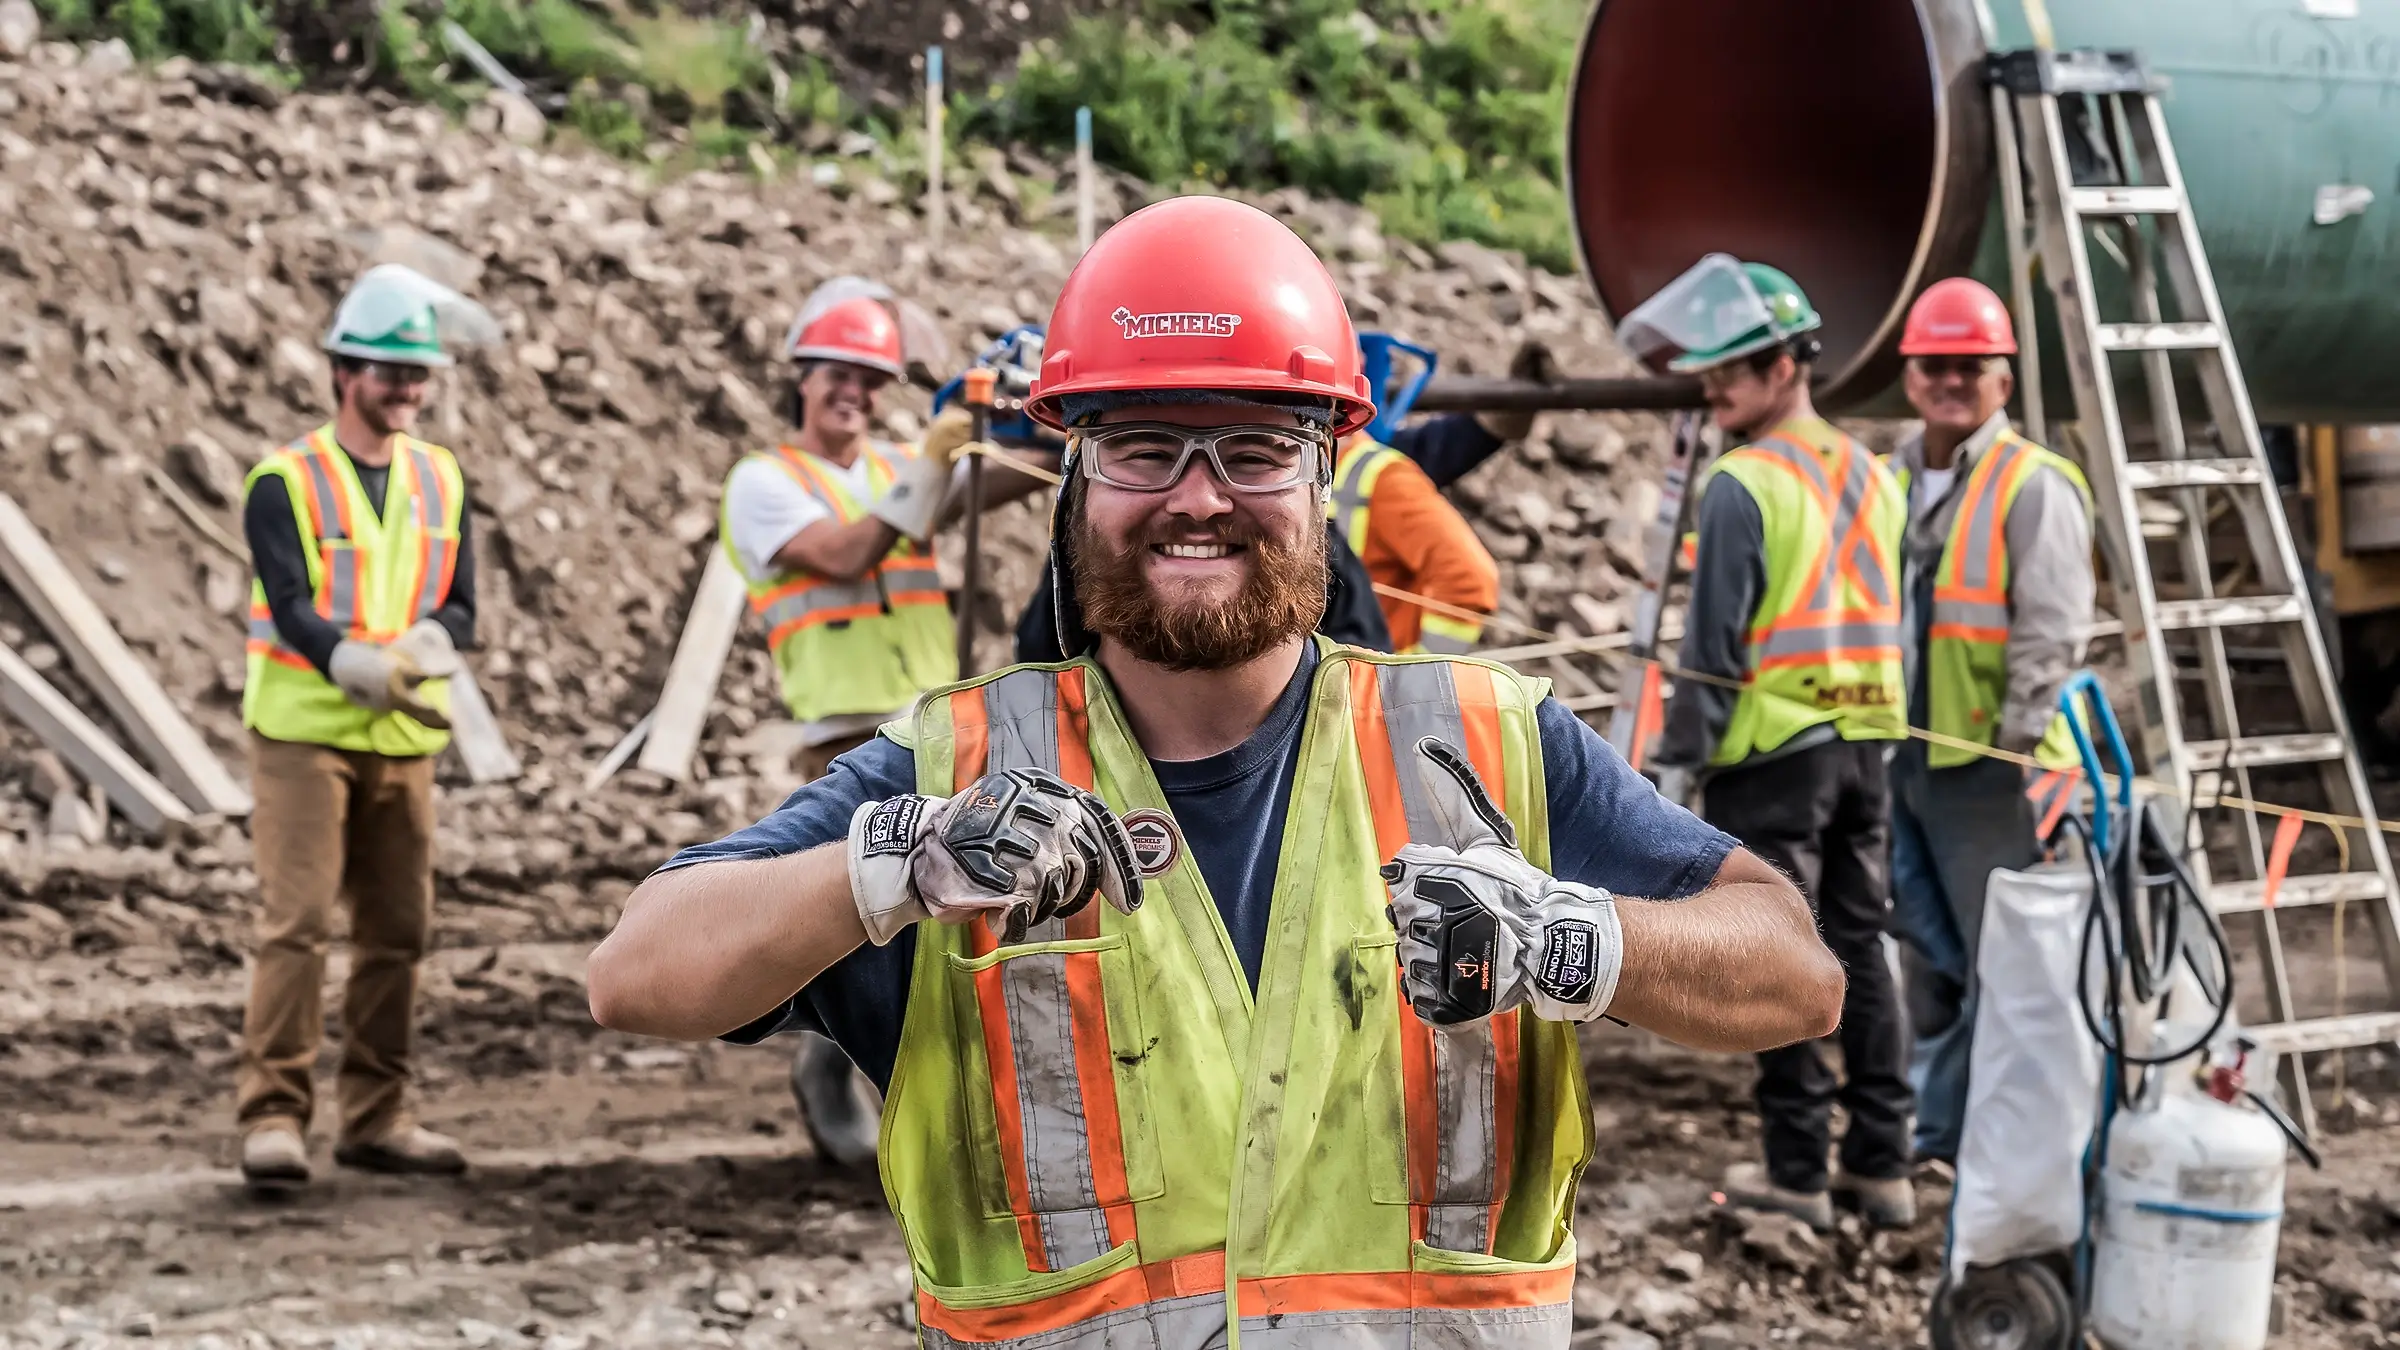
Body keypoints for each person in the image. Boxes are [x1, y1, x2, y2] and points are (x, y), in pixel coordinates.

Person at [590, 197, 1843, 1348]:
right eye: (1142, 448)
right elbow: (638, 974)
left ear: (1326, 474)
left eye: (1252, 449)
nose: (1198, 500)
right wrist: (895, 865)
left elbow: (1794, 973)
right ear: (1071, 473)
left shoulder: (1478, 747)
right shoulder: (964, 773)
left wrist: (1576, 940)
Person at [1634, 256, 1916, 1232]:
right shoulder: (1876, 475)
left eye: (1734, 369)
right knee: (1864, 951)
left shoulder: (1741, 483)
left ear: (1789, 365)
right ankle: (1882, 1167)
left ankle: (1796, 1171)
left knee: (1778, 957)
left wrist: (1678, 766)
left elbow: (1712, 653)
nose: (1713, 387)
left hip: (1771, 752)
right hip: (1865, 742)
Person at [235, 265, 484, 1189]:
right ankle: (272, 1115)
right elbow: (291, 605)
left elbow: (462, 605)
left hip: (404, 736)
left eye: (419, 373)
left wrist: (426, 641)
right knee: (295, 923)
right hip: (304, 730)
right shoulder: (283, 481)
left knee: (399, 930)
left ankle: (378, 1115)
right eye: (390, 372)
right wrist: (349, 662)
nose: (409, 388)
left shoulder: (441, 478)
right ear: (344, 371)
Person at [718, 282, 976, 1167]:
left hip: (931, 714)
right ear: (802, 376)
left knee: (947, 913)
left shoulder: (897, 466)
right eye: (838, 374)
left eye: (870, 381)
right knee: (857, 911)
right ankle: (827, 1069)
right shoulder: (763, 483)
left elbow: (980, 495)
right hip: (845, 730)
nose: (853, 395)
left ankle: (931, 1107)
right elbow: (845, 552)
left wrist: (995, 431)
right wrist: (936, 461)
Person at [1883, 277, 2094, 1166]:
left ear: (2003, 379)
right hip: (1903, 758)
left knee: (1999, 966)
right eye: (1936, 365)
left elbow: (2053, 629)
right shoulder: (1887, 477)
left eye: (1972, 367)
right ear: (1911, 375)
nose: (1952, 382)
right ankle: (1941, 1140)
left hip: (1989, 768)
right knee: (1928, 961)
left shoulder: (2034, 484)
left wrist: (2014, 747)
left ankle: (2018, 1150)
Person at [1328, 421, 1499, 654]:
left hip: (1372, 676)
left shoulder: (1384, 479)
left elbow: (1469, 579)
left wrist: (1414, 674)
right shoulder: (1309, 469)